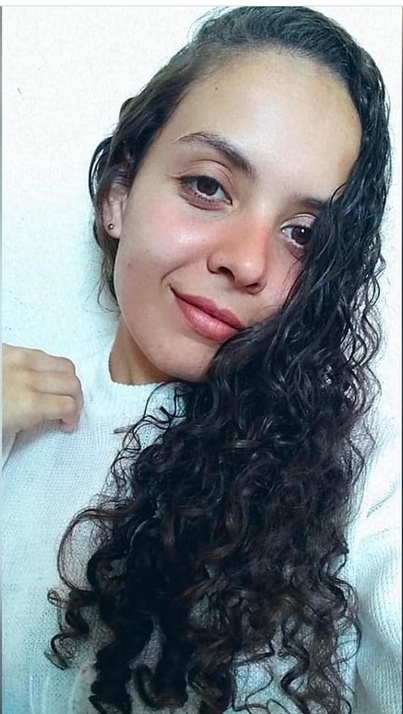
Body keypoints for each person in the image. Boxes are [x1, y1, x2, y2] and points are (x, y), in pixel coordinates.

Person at [2, 6, 401, 714]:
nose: (247, 262)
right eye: (208, 186)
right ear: (118, 193)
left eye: (304, 234)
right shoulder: (15, 420)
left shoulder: (362, 471)